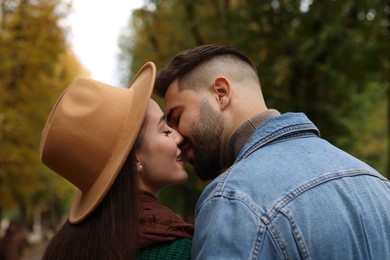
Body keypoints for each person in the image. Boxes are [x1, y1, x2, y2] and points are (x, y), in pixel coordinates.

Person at [154, 45, 390, 259]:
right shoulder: (378, 183)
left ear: (221, 92)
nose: (177, 136)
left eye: (177, 117)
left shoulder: (234, 200)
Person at [40, 62, 194, 260]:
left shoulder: (63, 248)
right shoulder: (174, 248)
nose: (179, 136)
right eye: (165, 131)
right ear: (133, 159)